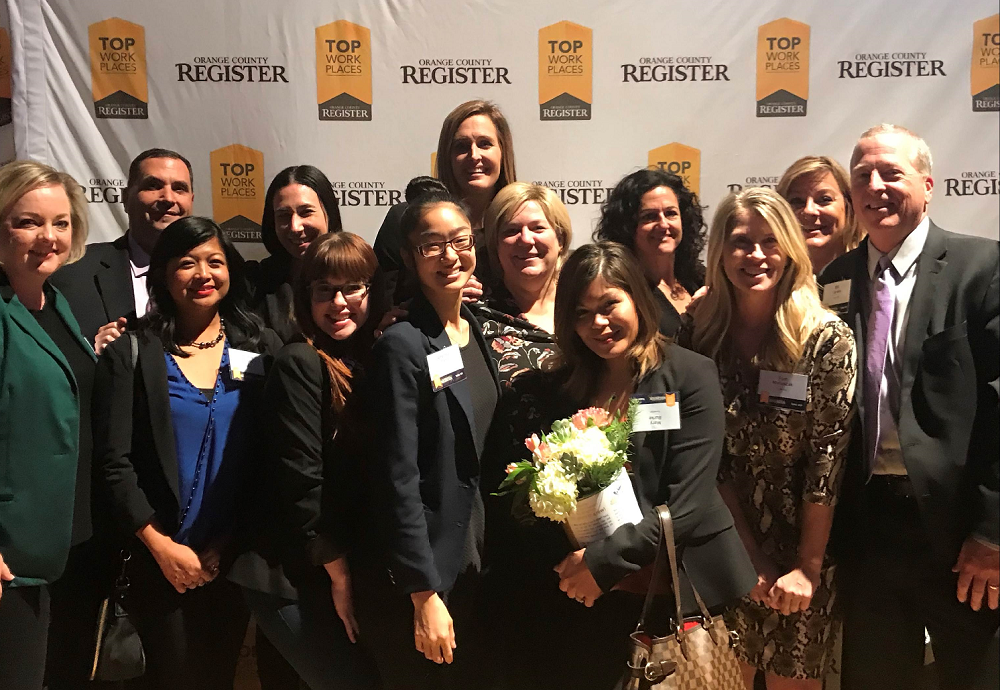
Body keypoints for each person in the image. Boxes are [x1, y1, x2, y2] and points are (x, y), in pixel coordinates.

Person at [485, 242, 756, 689]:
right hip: (591, 599)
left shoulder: (690, 375)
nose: (598, 323)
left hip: (678, 591)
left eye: (609, 304)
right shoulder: (558, 390)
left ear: (637, 299)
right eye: (581, 313)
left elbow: (686, 505)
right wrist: (579, 568)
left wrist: (603, 562)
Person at [818, 124, 999, 690]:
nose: (875, 186)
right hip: (867, 529)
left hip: (959, 532)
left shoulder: (982, 266)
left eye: (891, 173)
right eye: (862, 175)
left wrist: (992, 532)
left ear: (927, 184)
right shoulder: (834, 280)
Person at [92, 217, 282, 689]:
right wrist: (162, 548)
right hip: (155, 563)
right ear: (162, 274)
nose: (203, 274)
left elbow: (268, 459)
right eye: (187, 263)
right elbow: (115, 463)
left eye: (215, 261)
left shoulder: (258, 347)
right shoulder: (133, 352)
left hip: (228, 563)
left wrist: (225, 546)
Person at [687, 187, 857, 689]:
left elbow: (827, 462)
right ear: (720, 251)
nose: (756, 255)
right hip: (721, 546)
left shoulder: (826, 338)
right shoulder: (698, 333)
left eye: (770, 242)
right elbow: (704, 458)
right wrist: (746, 559)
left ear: (790, 249)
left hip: (805, 554)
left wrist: (806, 567)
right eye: (741, 242)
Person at [356, 190, 501, 689]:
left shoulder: (472, 329)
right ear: (409, 256)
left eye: (459, 241)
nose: (449, 255)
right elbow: (396, 476)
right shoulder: (402, 344)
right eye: (431, 245)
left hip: (477, 565)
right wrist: (423, 593)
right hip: (429, 578)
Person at [229, 232, 385, 690]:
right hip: (289, 572)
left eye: (352, 288)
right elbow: (300, 480)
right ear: (305, 297)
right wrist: (339, 573)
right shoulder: (299, 361)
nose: (338, 303)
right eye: (324, 290)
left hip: (331, 563)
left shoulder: (366, 359)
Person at [0, 161, 93, 690]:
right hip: (13, 559)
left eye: (60, 222)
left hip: (69, 544)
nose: (48, 237)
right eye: (28, 222)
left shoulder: (55, 304)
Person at [372, 100, 517, 303]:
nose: (474, 155)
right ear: (447, 156)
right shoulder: (404, 219)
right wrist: (439, 292)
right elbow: (380, 305)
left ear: (503, 151)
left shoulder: (522, 226)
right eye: (461, 146)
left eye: (484, 143)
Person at [51, 148, 194, 350]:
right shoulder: (73, 272)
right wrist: (95, 357)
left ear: (191, 200)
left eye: (179, 188)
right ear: (126, 198)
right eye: (153, 186)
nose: (168, 198)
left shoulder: (219, 278)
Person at [594, 168, 706, 337]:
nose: (663, 224)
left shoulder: (700, 279)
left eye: (671, 213)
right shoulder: (622, 291)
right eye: (649, 216)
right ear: (627, 227)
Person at [248, 165, 343, 343]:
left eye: (306, 212)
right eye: (283, 215)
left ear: (329, 213)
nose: (295, 227)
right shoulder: (254, 285)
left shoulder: (359, 274)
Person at [776, 156, 864, 275]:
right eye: (797, 201)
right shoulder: (769, 280)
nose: (809, 210)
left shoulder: (874, 273)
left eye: (824, 199)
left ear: (849, 205)